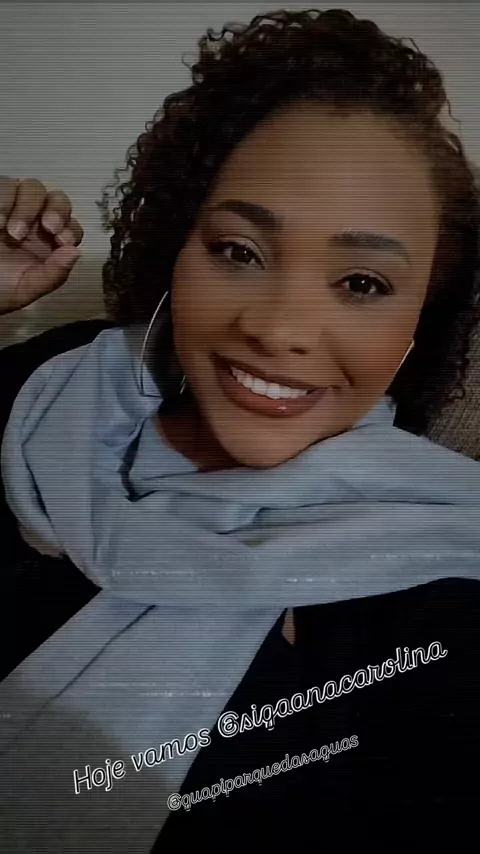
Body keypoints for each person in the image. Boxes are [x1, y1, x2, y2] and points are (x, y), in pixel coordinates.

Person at [1, 7, 480, 853]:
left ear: (418, 326)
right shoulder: (52, 389)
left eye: (362, 283)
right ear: (178, 246)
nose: (277, 329)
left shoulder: (441, 586)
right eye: (238, 251)